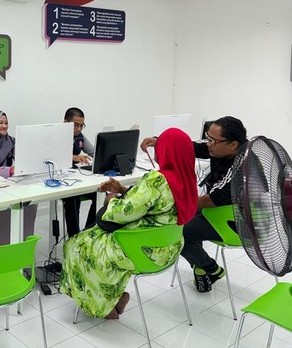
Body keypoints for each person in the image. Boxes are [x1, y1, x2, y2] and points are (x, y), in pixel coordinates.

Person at [60, 128, 197, 319]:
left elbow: (119, 214)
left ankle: (105, 306)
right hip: (168, 250)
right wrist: (122, 190)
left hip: (140, 249)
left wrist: (111, 199)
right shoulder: (186, 178)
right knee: (94, 241)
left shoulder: (157, 181)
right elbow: (153, 204)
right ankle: (113, 296)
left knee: (76, 244)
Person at [140, 115, 248, 292]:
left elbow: (213, 199)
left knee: (178, 232)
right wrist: (159, 142)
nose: (208, 144)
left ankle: (211, 269)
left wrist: (175, 204)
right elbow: (190, 147)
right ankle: (201, 267)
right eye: (208, 137)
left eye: (212, 141)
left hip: (238, 221)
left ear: (233, 145)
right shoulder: (220, 148)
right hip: (219, 211)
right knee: (184, 220)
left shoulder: (242, 166)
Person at [0, 110, 37, 246]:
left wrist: (26, 161)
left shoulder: (11, 141)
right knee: (3, 207)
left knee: (30, 203)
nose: (4, 126)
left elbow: (24, 159)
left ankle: (22, 246)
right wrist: (9, 170)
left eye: (6, 123)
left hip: (8, 186)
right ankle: (0, 245)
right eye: (0, 123)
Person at [62, 107, 96, 237]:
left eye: (82, 125)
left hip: (75, 177)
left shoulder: (80, 137)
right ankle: (74, 237)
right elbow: (50, 156)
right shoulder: (56, 135)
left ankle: (88, 232)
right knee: (73, 197)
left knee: (100, 193)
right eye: (76, 125)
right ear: (66, 123)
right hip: (60, 180)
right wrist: (73, 157)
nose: (79, 129)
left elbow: (93, 152)